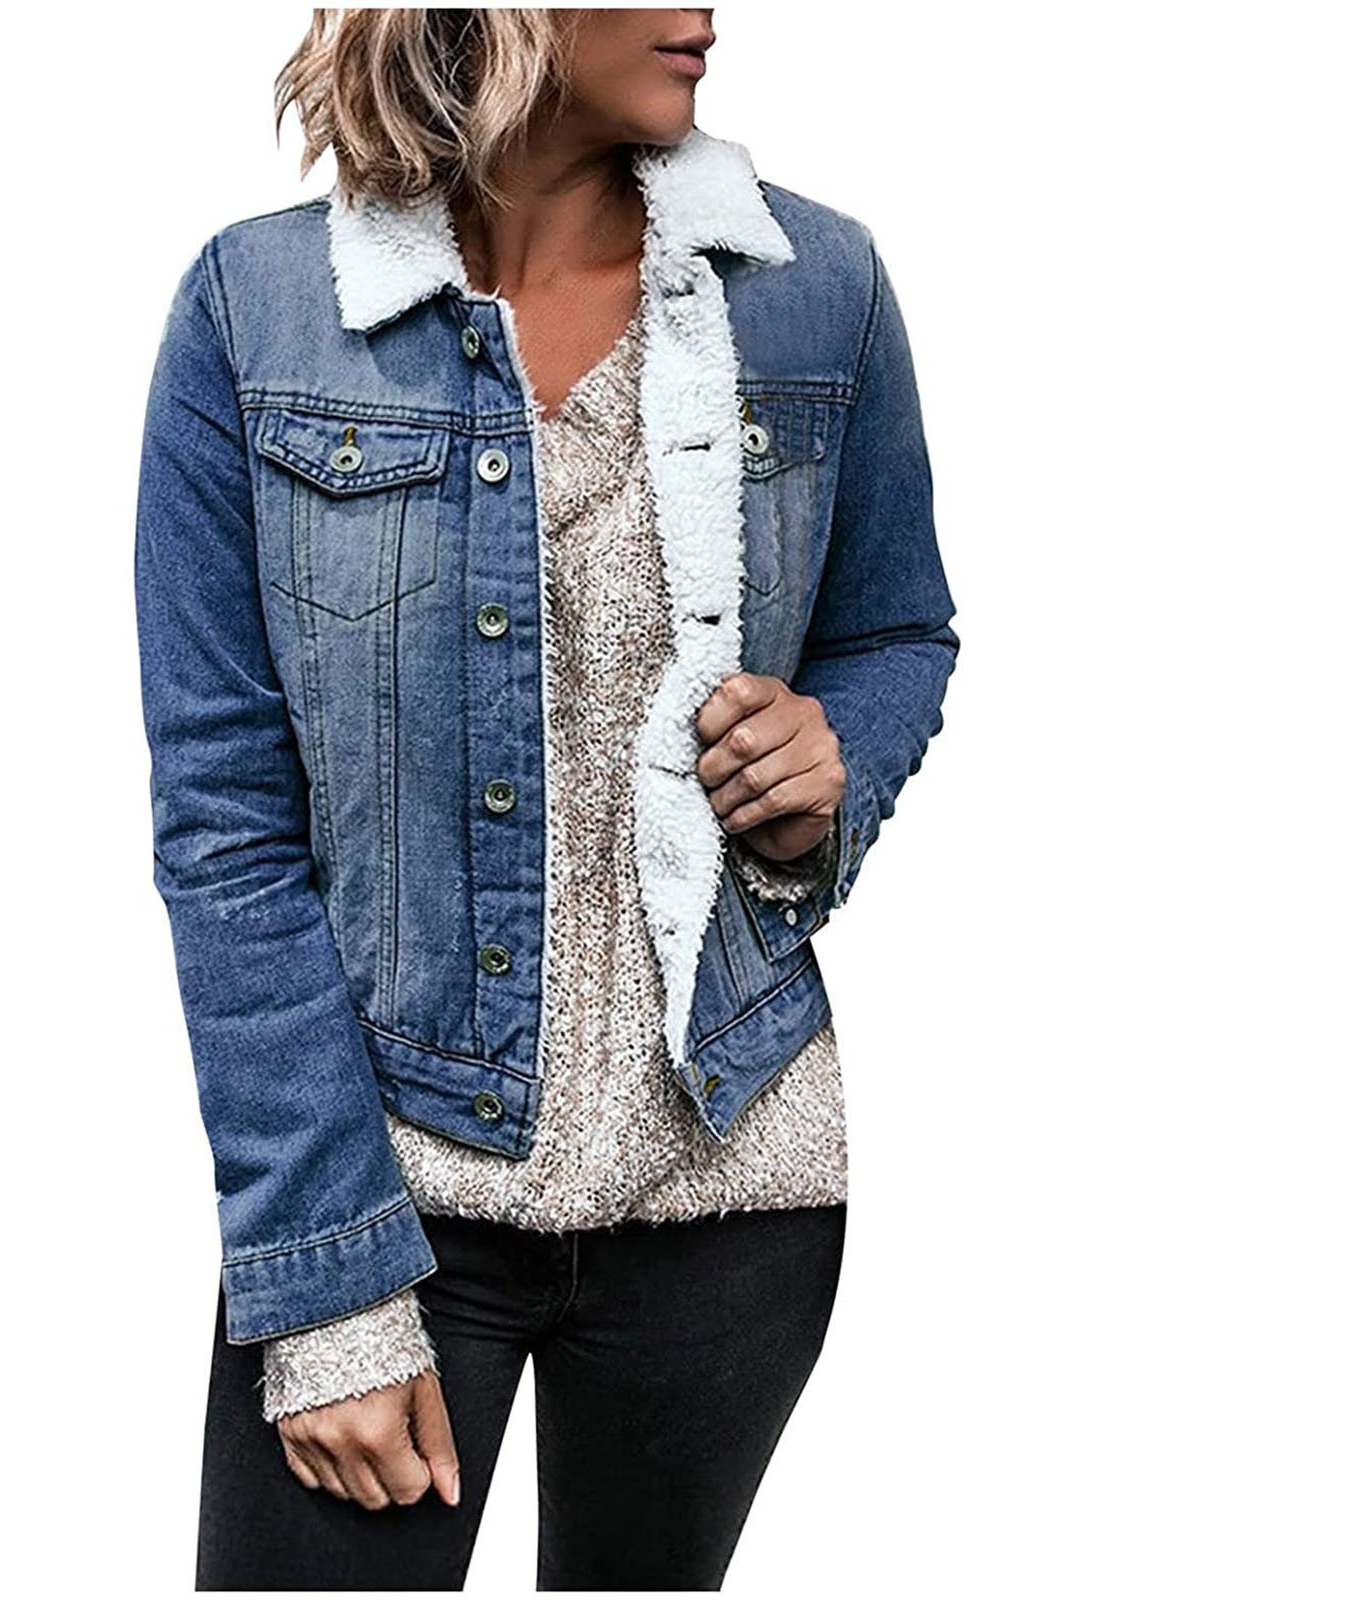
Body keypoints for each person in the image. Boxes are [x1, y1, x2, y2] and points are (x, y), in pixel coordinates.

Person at [133, 7, 959, 1590]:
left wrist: (831, 760)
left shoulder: (817, 286)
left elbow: (895, 630)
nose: (706, 15)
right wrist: (325, 1285)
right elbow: (225, 828)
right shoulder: (261, 310)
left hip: (732, 1188)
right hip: (391, 1198)